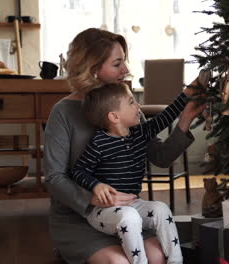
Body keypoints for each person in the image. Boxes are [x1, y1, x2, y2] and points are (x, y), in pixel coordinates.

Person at [44, 28, 204, 264]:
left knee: (159, 256)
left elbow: (160, 156)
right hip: (78, 217)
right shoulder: (63, 112)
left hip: (128, 216)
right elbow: (54, 178)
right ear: (93, 69)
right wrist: (92, 197)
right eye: (117, 63)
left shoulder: (127, 107)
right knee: (119, 262)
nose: (126, 70)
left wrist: (185, 121)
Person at [71, 82, 187, 264]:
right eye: (132, 102)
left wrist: (188, 94)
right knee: (130, 217)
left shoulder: (139, 133)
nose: (138, 106)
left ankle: (176, 261)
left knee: (161, 209)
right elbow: (78, 171)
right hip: (103, 211)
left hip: (134, 203)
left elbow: (165, 117)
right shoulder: (99, 143)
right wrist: (96, 185)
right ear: (114, 116)